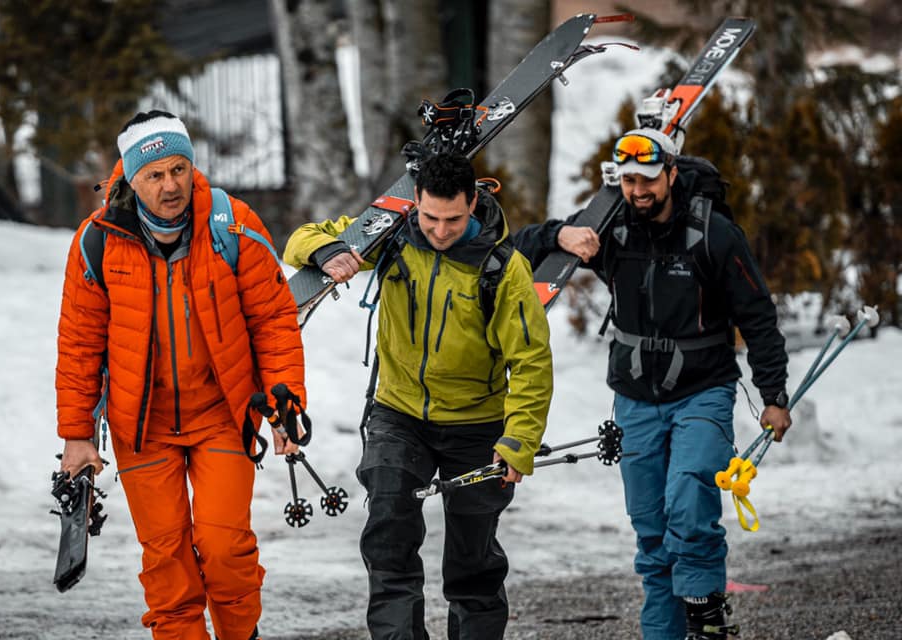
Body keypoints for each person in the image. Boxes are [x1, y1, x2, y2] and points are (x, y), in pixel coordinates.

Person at [512, 128, 793, 640]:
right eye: (628, 181)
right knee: (651, 530)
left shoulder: (714, 234)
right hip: (635, 398)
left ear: (670, 174)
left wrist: (773, 395)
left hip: (703, 390)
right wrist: (559, 235)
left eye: (647, 179)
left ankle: (706, 619)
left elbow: (757, 317)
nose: (638, 190)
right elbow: (518, 247)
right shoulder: (611, 229)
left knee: (689, 503)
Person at [55, 110, 306, 640]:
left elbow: (273, 320)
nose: (170, 186)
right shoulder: (97, 241)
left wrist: (286, 404)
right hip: (141, 427)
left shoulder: (233, 225)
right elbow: (79, 345)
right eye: (154, 175)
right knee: (166, 561)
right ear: (131, 178)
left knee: (224, 547)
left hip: (222, 417)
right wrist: (77, 434)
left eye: (178, 170)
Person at [283, 153, 553, 640]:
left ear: (472, 204)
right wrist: (326, 251)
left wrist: (520, 439)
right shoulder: (392, 236)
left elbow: (531, 362)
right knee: (388, 537)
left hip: (477, 424)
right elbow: (301, 238)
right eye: (430, 217)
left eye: (453, 220)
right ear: (415, 204)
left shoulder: (502, 268)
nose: (440, 231)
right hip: (399, 414)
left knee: (473, 561)